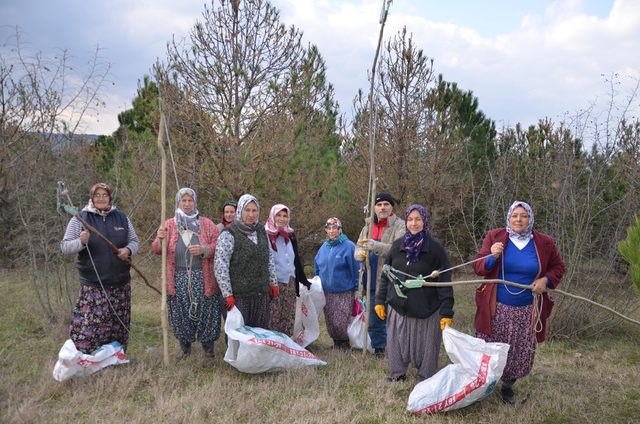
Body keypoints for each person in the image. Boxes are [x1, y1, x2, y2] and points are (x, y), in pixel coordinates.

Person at [473, 200, 565, 405]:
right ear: (508, 217)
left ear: (530, 218)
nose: (519, 219)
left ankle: (507, 387)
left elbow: (558, 267)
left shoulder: (544, 242)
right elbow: (478, 267)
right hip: (496, 308)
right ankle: (483, 385)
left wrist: (545, 280)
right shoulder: (495, 237)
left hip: (527, 310)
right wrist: (492, 257)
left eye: (523, 215)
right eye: (515, 215)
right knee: (489, 347)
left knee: (517, 350)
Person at [375, 204, 454, 382]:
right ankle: (397, 374)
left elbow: (445, 281)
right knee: (396, 343)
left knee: (426, 348)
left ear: (424, 221)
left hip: (426, 309)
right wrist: (380, 300)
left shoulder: (435, 249)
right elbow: (386, 274)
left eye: (418, 219)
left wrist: (447, 311)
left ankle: (426, 377)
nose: (413, 223)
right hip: (399, 307)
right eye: (410, 219)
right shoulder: (397, 246)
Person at [60, 183, 140, 354]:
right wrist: (81, 242)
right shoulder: (80, 219)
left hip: (120, 285)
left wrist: (128, 250)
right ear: (92, 198)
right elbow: (65, 247)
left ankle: (114, 358)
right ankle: (86, 360)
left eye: (104, 195)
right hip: (94, 287)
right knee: (90, 329)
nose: (101, 198)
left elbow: (134, 241)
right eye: (97, 195)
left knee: (118, 327)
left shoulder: (122, 218)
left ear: (110, 198)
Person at [152, 188, 222, 359]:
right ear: (178, 203)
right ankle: (185, 347)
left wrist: (204, 249)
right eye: (183, 200)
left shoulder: (207, 224)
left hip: (203, 276)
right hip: (178, 277)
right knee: (181, 310)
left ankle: (208, 349)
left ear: (195, 202)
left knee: (206, 310)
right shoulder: (169, 224)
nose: (187, 204)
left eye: (190, 200)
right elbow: (157, 250)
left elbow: (218, 246)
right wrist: (160, 239)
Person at [215, 194, 278, 328]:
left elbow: (269, 257)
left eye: (254, 210)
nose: (251, 214)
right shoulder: (228, 234)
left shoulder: (261, 231)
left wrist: (273, 282)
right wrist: (227, 294)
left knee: (259, 332)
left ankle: (257, 351)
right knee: (239, 334)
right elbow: (220, 266)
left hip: (261, 293)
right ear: (240, 211)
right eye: (247, 210)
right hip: (239, 295)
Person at [354, 192, 405, 357]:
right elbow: (358, 248)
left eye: (386, 204)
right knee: (374, 319)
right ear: (374, 208)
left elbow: (398, 250)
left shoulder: (399, 226)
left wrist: (375, 245)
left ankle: (398, 349)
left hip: (391, 280)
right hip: (370, 280)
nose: (382, 207)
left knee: (394, 318)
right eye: (379, 204)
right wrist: (359, 254)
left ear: (391, 207)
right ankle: (379, 348)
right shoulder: (367, 227)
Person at [265, 204, 312, 335]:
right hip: (273, 283)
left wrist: (303, 280)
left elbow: (295, 260)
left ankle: (285, 347)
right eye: (278, 215)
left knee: (288, 316)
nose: (282, 219)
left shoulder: (290, 235)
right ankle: (272, 346)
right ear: (272, 216)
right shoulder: (266, 234)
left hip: (289, 282)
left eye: (285, 216)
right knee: (273, 317)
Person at [314, 217, 359, 349]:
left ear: (340, 229)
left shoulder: (349, 246)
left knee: (341, 321)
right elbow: (317, 265)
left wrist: (357, 288)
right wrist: (317, 283)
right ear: (326, 230)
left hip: (344, 291)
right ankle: (336, 343)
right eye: (329, 228)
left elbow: (356, 269)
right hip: (326, 291)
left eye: (335, 228)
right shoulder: (324, 247)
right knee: (330, 321)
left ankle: (344, 343)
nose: (332, 231)